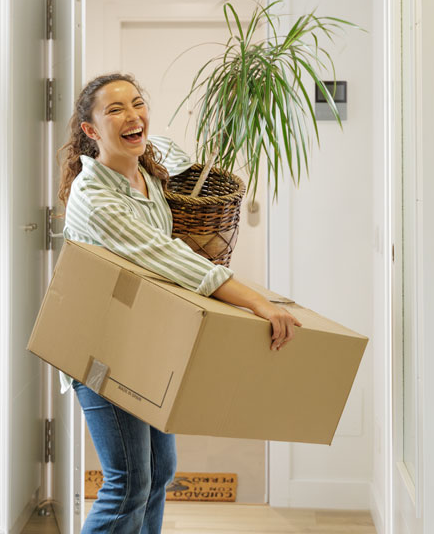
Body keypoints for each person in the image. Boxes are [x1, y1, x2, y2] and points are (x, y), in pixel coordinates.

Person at [58, 73, 300, 534]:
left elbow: (172, 149)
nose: (132, 116)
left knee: (160, 474)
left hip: (145, 343)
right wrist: (258, 303)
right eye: (114, 110)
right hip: (99, 350)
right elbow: (173, 260)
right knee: (129, 481)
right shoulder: (94, 197)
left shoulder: (148, 171)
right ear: (89, 131)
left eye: (137, 103)